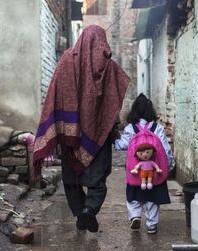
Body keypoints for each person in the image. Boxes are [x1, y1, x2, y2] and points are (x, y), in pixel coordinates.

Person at [33, 25, 130, 232]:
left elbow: (55, 91)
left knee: (71, 179)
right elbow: (113, 104)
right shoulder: (110, 67)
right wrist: (112, 126)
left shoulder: (67, 59)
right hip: (99, 136)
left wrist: (60, 122)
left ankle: (79, 213)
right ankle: (89, 211)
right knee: (97, 179)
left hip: (71, 134)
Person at [115, 94, 174, 234]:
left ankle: (135, 216)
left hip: (136, 171)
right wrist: (168, 166)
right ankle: (151, 225)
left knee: (133, 195)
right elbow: (166, 150)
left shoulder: (131, 128)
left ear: (134, 111)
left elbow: (121, 145)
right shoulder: (157, 128)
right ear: (150, 111)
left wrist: (115, 140)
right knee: (152, 199)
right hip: (154, 171)